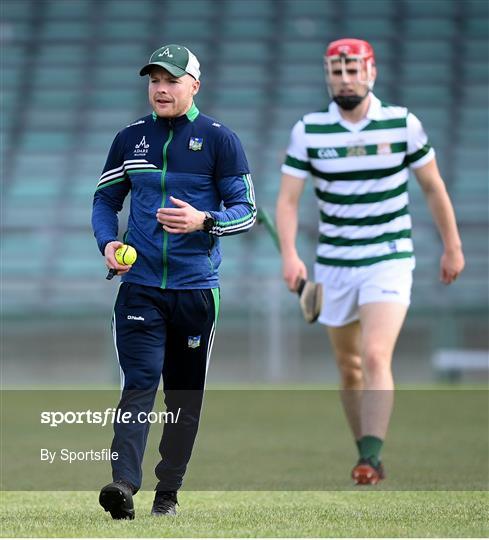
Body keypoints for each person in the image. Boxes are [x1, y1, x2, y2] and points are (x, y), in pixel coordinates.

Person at [276, 38, 464, 485]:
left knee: (376, 354)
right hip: (334, 263)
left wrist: (452, 245)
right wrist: (290, 255)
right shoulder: (309, 131)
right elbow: (287, 201)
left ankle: (371, 459)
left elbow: (433, 188)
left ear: (371, 73)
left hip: (389, 256)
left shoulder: (402, 124)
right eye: (336, 72)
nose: (344, 80)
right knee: (350, 367)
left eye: (353, 70)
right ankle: (366, 452)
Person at [92, 43, 256, 518]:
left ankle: (169, 493)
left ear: (194, 86)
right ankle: (123, 485)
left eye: (171, 80)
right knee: (138, 385)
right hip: (139, 287)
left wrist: (204, 221)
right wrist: (107, 242)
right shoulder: (129, 139)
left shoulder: (221, 140)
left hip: (196, 291)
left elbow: (245, 213)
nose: (160, 89)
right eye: (154, 81)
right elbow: (105, 201)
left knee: (183, 396)